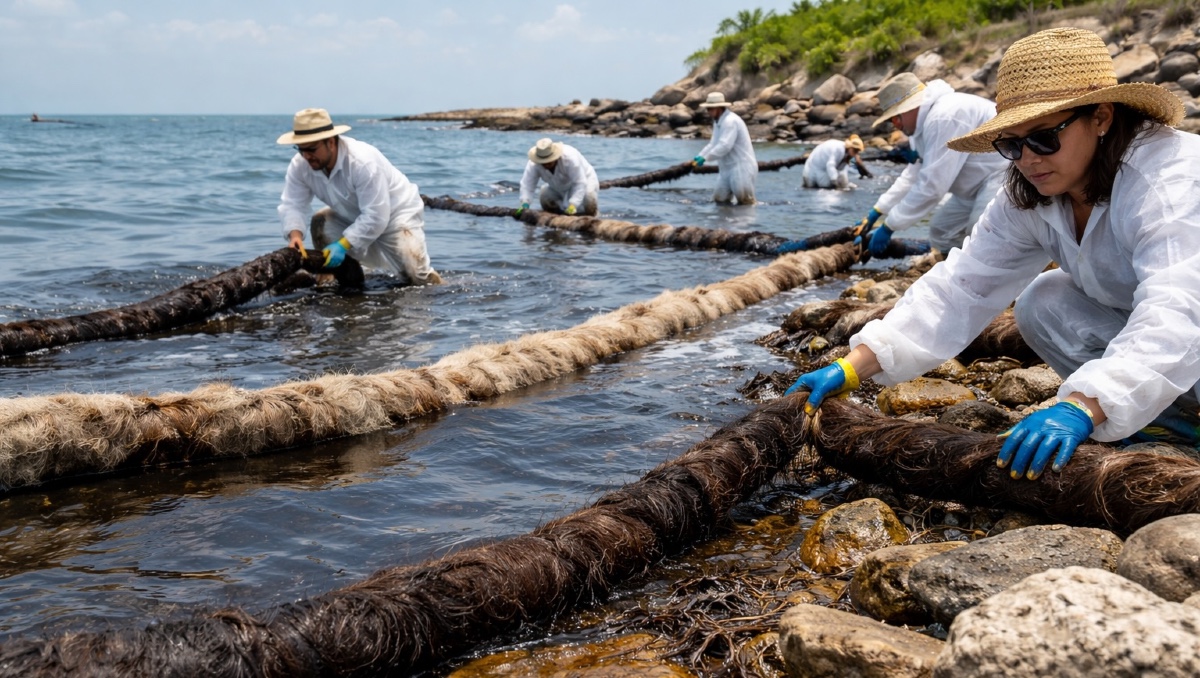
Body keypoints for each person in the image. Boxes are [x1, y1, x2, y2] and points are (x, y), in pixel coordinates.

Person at [786, 27, 1194, 482]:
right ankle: (1172, 430)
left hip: (1186, 331)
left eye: (1043, 137)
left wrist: (1084, 406)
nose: (1027, 158)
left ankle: (1136, 411)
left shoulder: (1168, 181)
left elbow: (1179, 310)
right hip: (1165, 345)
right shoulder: (1035, 189)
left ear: (1100, 117)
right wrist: (852, 366)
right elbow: (963, 285)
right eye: (1010, 144)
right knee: (1043, 301)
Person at [277, 107, 442, 285]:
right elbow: (293, 204)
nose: (306, 156)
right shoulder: (300, 164)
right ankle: (332, 282)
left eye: (311, 149)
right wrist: (295, 236)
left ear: (330, 142)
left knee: (418, 279)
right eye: (301, 149)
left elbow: (376, 216)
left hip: (397, 215)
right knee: (320, 221)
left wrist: (343, 245)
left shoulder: (362, 162)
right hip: (352, 215)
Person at [854, 71, 1009, 256]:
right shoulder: (920, 127)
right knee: (941, 231)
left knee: (982, 231)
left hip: (1002, 173)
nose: (895, 124)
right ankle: (961, 273)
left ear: (911, 107)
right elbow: (912, 175)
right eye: (890, 120)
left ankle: (995, 276)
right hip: (975, 186)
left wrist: (889, 226)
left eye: (895, 117)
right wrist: (878, 210)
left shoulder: (944, 117)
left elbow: (932, 186)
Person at [691, 92, 757, 205]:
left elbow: (724, 146)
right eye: (708, 109)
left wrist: (705, 159)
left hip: (741, 168)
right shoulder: (718, 122)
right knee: (719, 201)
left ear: (719, 108)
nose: (708, 112)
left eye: (710, 109)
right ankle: (723, 223)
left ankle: (750, 223)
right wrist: (699, 156)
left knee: (746, 203)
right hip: (726, 169)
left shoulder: (730, 121)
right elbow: (713, 144)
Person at [517, 138, 599, 217]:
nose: (546, 164)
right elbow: (527, 185)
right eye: (543, 162)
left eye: (549, 161)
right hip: (558, 186)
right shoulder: (533, 164)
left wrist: (573, 204)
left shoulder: (570, 158)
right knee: (545, 198)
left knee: (589, 198)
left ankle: (592, 219)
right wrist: (525, 202)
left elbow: (580, 183)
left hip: (585, 180)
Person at [802, 134, 871, 189]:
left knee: (841, 186)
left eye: (857, 152)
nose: (856, 154)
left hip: (819, 170)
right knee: (830, 188)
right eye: (855, 151)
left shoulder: (846, 153)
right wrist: (835, 181)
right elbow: (830, 165)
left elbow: (843, 170)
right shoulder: (839, 149)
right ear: (850, 147)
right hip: (813, 171)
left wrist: (845, 184)